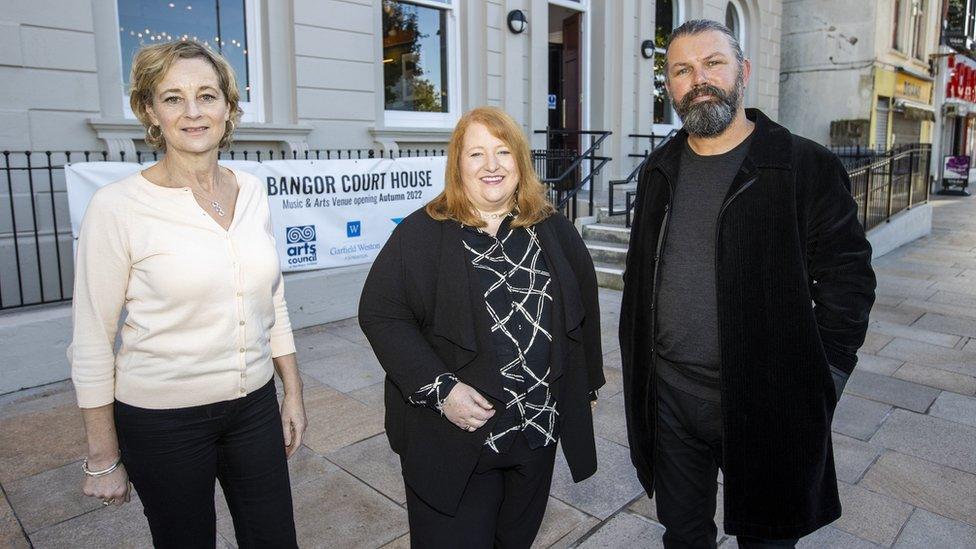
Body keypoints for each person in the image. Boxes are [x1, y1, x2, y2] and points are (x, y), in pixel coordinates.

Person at [619, 20, 876, 548]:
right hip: (670, 399)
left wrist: (824, 379)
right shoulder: (657, 170)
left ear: (744, 72)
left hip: (767, 405)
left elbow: (848, 282)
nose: (699, 79)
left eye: (713, 63)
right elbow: (639, 274)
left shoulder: (804, 166)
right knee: (683, 535)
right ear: (669, 86)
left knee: (768, 539)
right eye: (682, 70)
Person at [68, 40, 305, 548]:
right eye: (173, 98)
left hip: (254, 407)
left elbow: (273, 302)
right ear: (150, 111)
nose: (193, 112)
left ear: (228, 107)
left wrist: (293, 394)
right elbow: (91, 337)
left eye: (207, 95)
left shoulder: (252, 191)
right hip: (162, 423)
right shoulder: (117, 208)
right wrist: (103, 457)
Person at [360, 106, 605, 548]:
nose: (491, 165)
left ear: (520, 162)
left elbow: (584, 310)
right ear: (458, 165)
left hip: (535, 434)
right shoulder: (423, 233)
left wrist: (584, 389)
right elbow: (381, 314)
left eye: (502, 152)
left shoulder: (551, 227)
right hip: (456, 440)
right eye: (476, 154)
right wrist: (441, 390)